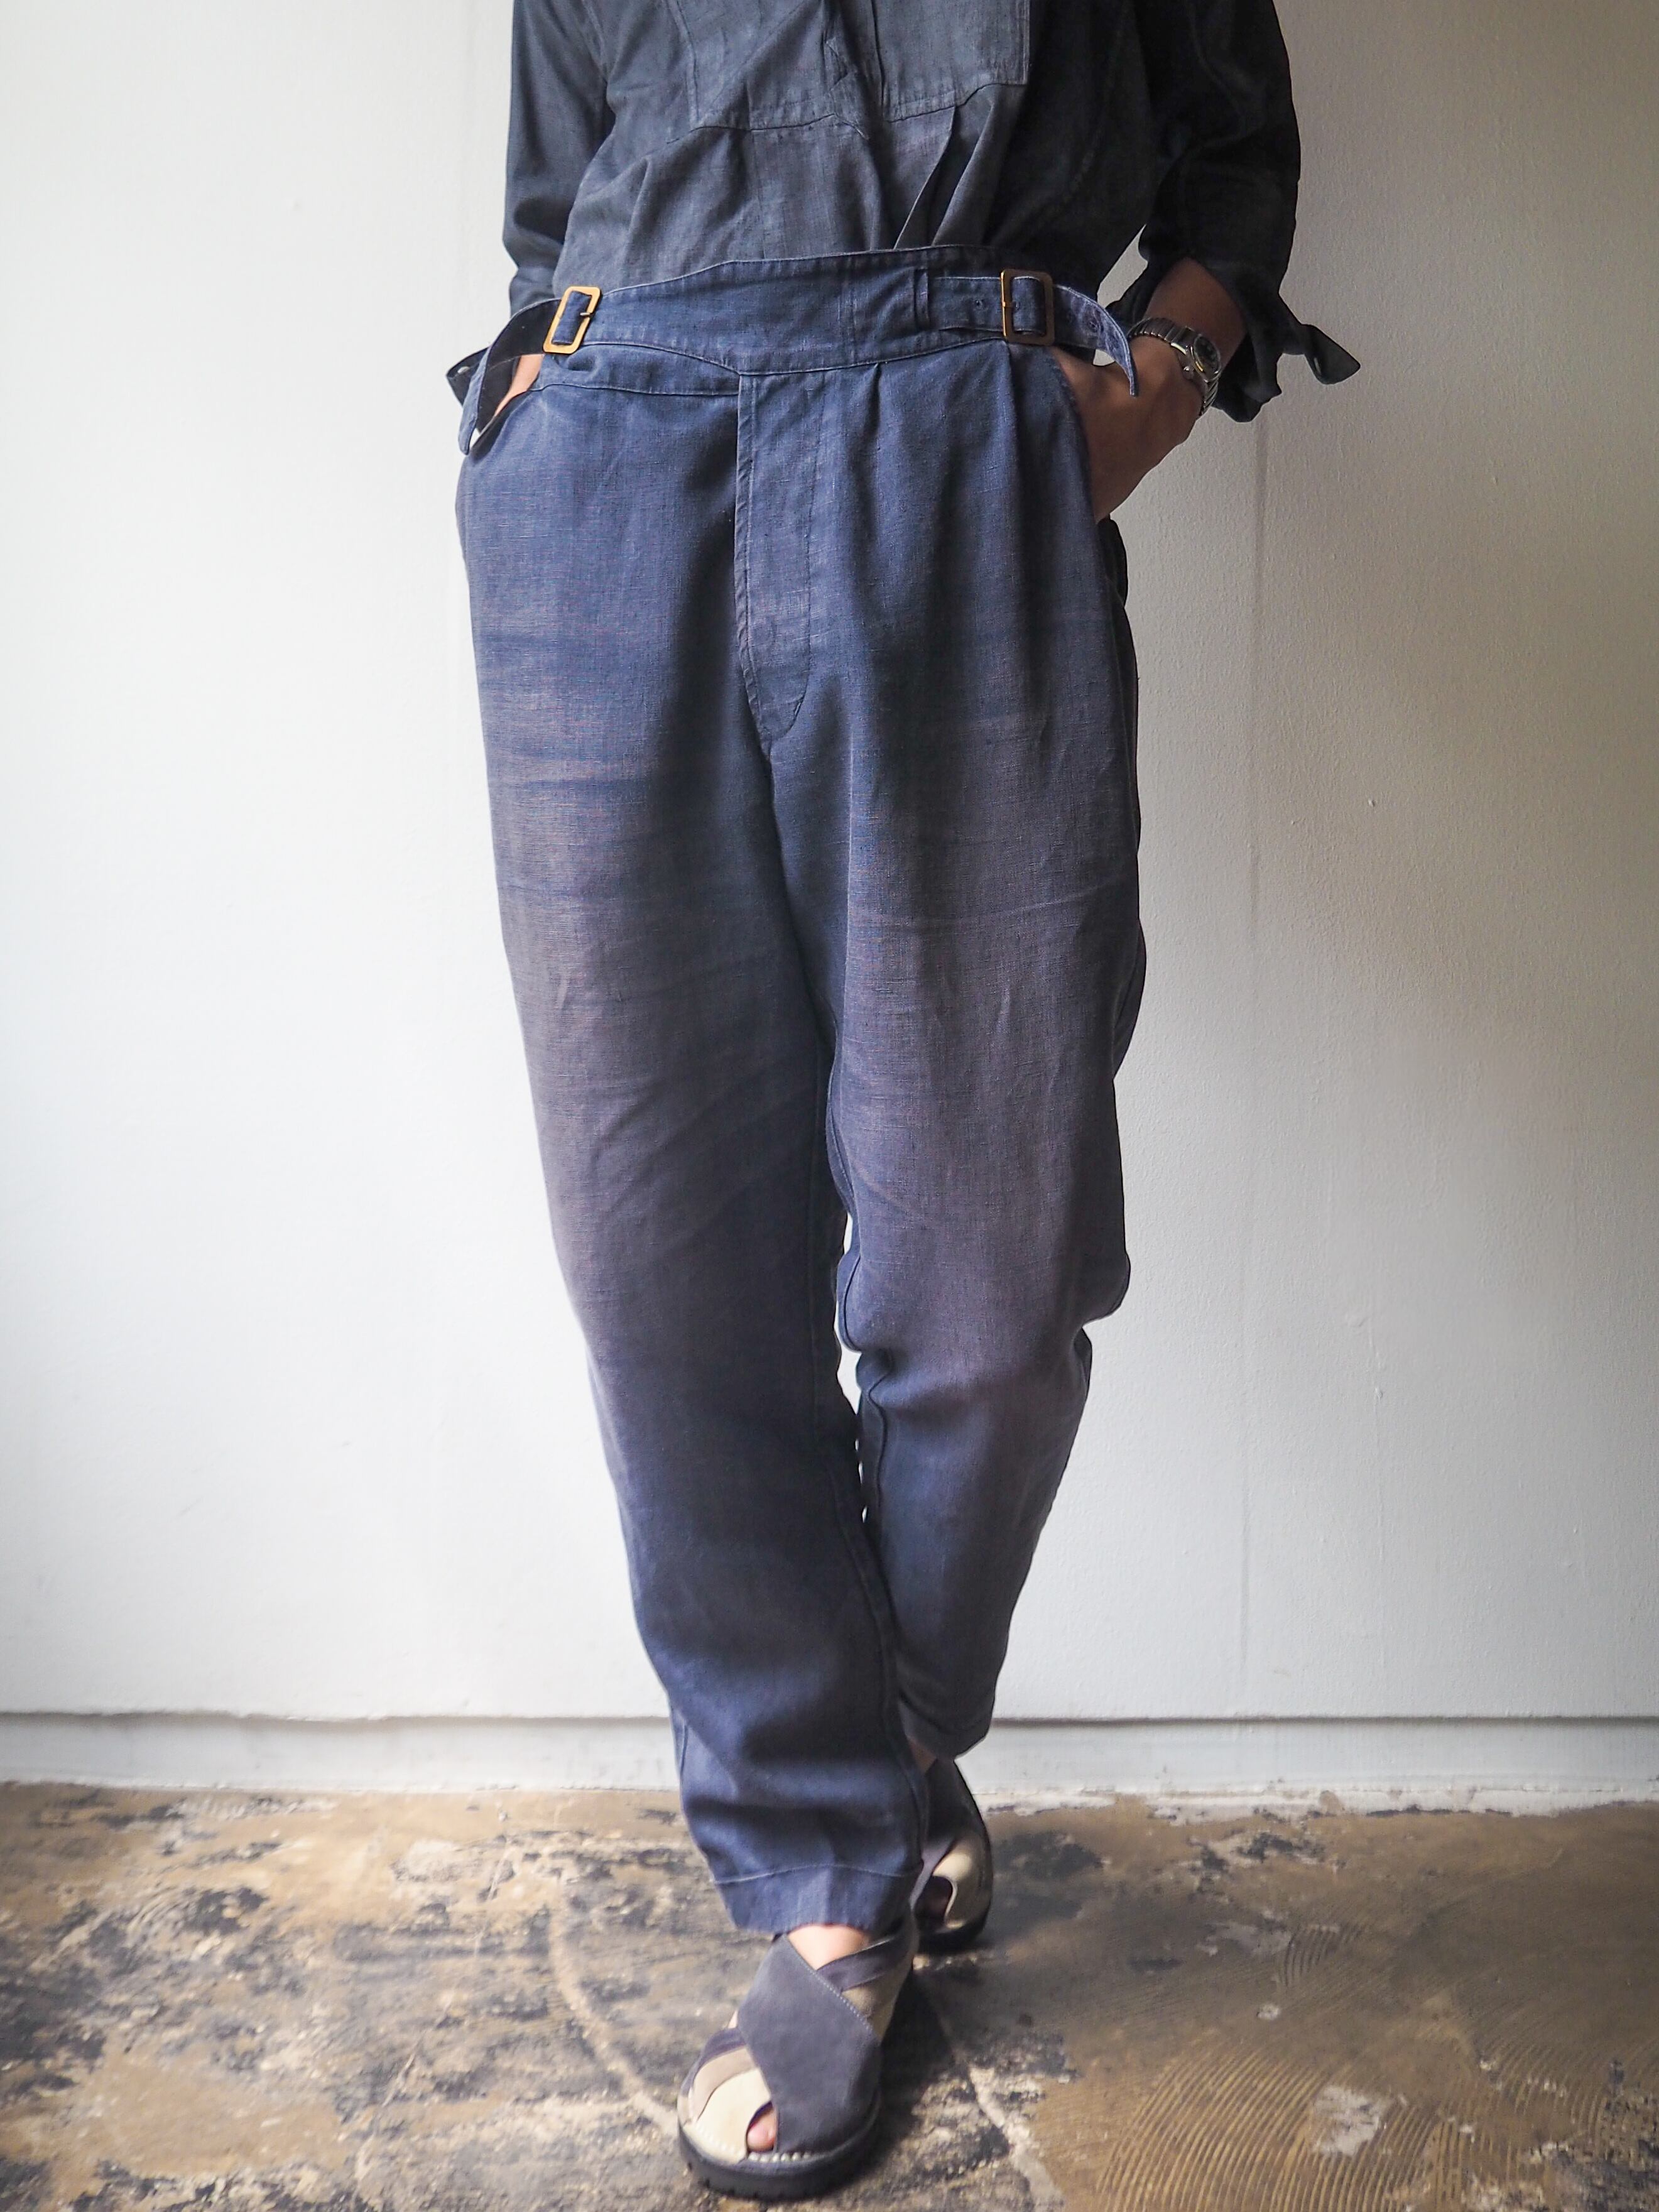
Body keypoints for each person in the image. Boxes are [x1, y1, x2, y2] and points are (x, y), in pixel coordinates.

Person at [452, 0, 1355, 2194]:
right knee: (662, 1252)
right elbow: (551, 201)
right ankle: (832, 1880)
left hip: (961, 457)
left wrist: (1141, 390)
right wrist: (544, 394)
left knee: (989, 1267)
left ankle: (862, 1759)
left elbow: (1231, 161)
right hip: (610, 465)